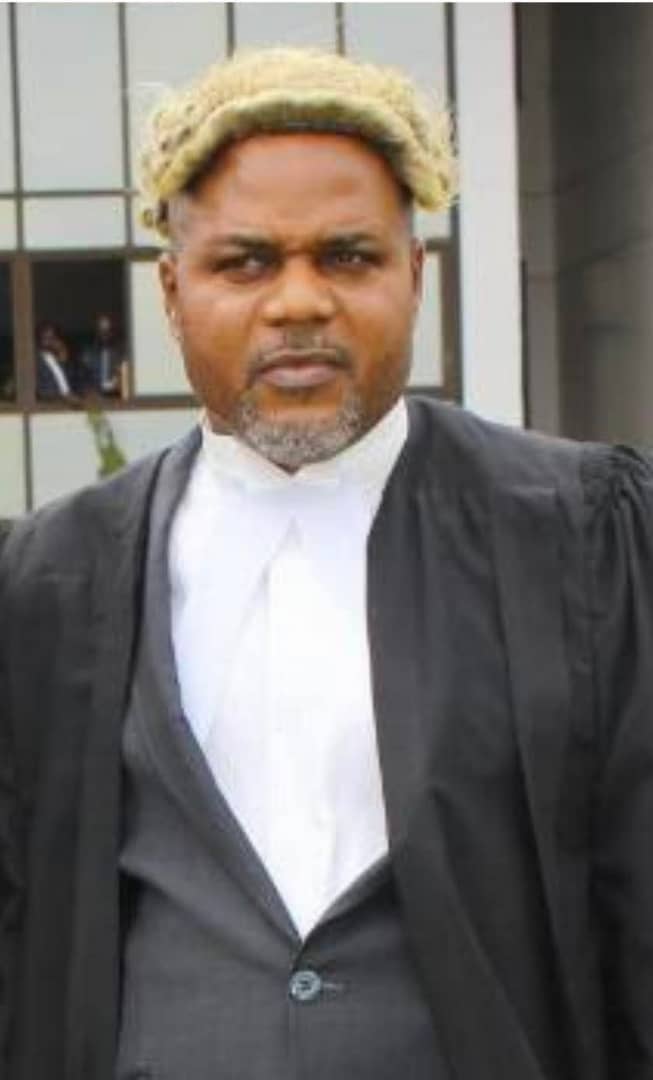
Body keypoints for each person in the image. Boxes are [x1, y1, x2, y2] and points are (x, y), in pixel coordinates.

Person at [1, 47, 653, 1080]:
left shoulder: (577, 540)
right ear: (171, 292)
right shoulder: (51, 580)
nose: (297, 302)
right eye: (245, 263)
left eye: (347, 257)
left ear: (414, 276)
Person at [79, 312, 125, 398]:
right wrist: (88, 391)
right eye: (101, 330)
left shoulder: (122, 353)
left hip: (117, 398)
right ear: (96, 331)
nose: (105, 334)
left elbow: (127, 378)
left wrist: (121, 382)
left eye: (108, 330)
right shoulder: (88, 354)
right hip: (95, 399)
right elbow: (81, 379)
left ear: (113, 331)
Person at [35, 322, 77, 401]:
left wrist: (62, 353)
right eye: (45, 337)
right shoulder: (36, 359)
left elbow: (73, 381)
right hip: (50, 403)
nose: (49, 341)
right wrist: (61, 397)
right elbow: (40, 388)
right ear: (39, 339)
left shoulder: (59, 357)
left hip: (69, 402)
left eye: (52, 338)